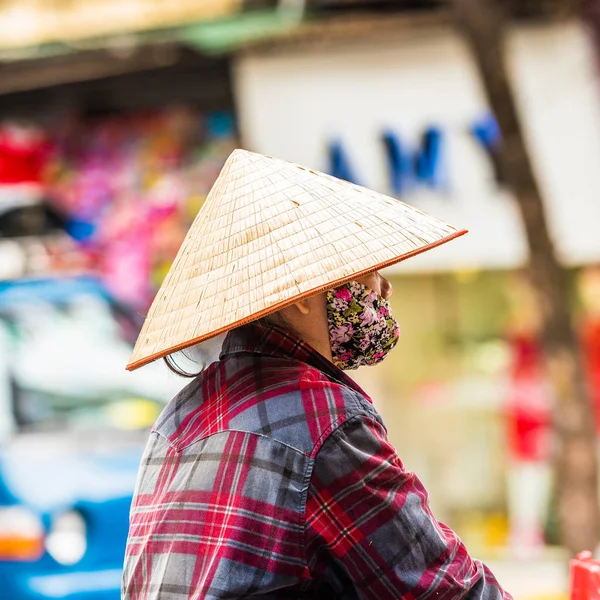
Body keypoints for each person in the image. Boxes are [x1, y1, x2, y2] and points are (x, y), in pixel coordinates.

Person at [122, 149, 511, 599]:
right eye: (365, 270)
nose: (382, 287)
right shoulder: (323, 416)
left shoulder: (177, 416)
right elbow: (437, 589)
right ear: (300, 295)